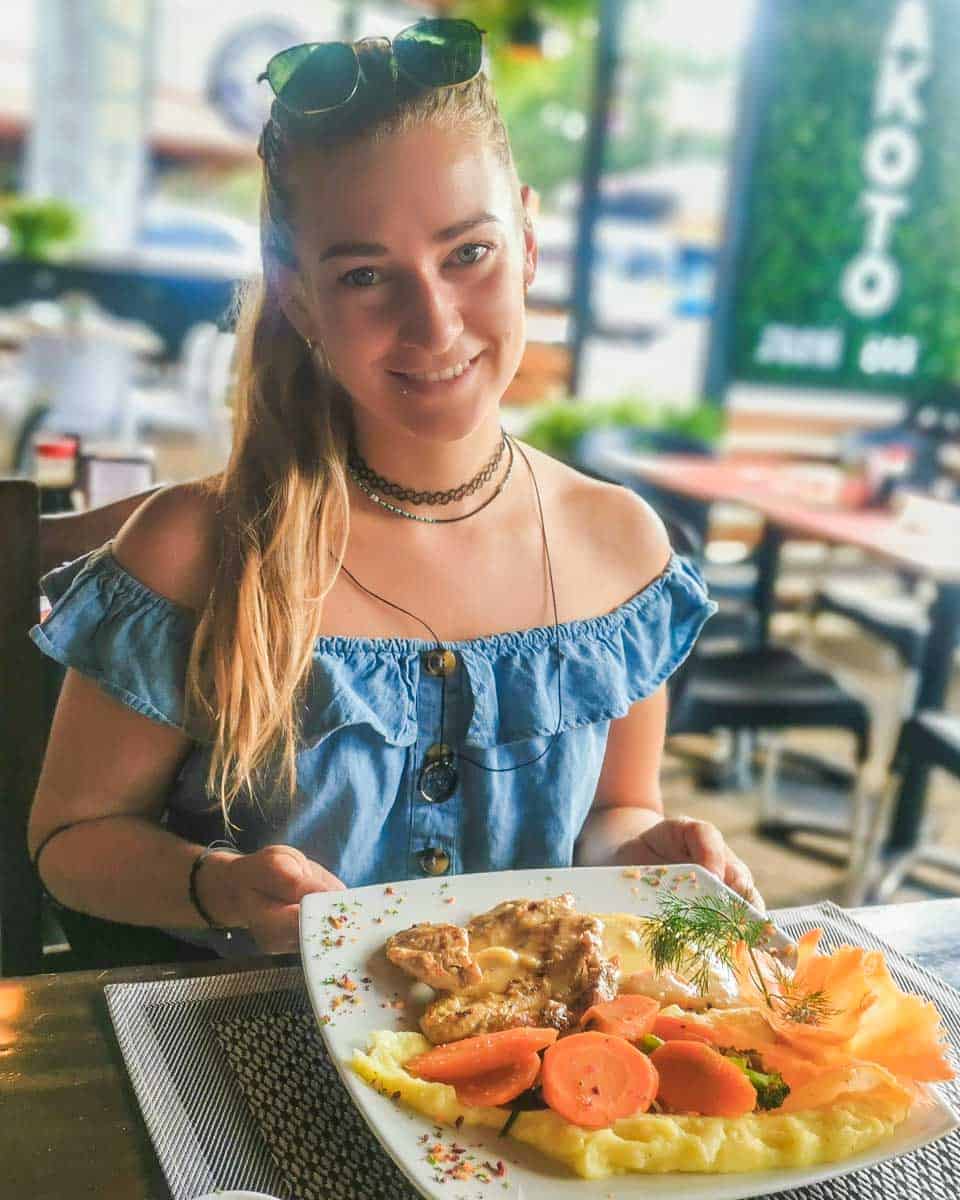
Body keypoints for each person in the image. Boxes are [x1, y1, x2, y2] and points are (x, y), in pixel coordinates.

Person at [27, 18, 763, 959]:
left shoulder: (621, 547)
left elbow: (614, 813)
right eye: (367, 274)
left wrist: (643, 851)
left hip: (520, 1084)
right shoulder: (196, 548)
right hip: (243, 1048)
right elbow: (70, 843)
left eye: (469, 254)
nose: (434, 322)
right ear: (298, 295)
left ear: (529, 239)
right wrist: (216, 886)